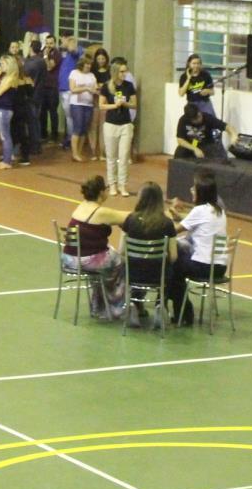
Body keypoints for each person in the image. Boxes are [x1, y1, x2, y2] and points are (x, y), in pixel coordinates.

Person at [64, 176, 128, 320]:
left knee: (105, 262)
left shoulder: (81, 206)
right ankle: (117, 306)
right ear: (101, 192)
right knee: (122, 262)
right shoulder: (100, 212)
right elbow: (127, 217)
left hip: (69, 258)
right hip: (87, 260)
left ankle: (98, 305)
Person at [119, 181, 181, 329]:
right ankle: (160, 304)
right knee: (172, 270)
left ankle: (133, 303)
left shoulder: (130, 220)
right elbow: (173, 256)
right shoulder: (167, 223)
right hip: (158, 275)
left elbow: (121, 250)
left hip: (133, 273)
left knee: (128, 266)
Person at [171, 169, 230, 322]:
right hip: (220, 268)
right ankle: (181, 311)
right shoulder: (219, 211)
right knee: (178, 257)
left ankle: (184, 313)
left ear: (201, 192)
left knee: (171, 265)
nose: (191, 190)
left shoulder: (199, 211)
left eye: (194, 188)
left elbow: (173, 231)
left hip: (203, 267)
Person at [100, 58, 137, 197]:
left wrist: (125, 104)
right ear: (115, 72)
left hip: (125, 124)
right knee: (111, 156)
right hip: (111, 124)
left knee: (124, 155)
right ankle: (112, 184)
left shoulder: (129, 86)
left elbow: (134, 104)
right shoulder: (107, 86)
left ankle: (122, 184)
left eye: (125, 71)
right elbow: (101, 105)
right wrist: (114, 105)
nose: (124, 74)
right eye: (121, 71)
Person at [65, 47, 98, 163]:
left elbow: (94, 89)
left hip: (88, 104)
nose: (88, 66)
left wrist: (95, 91)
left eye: (90, 65)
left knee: (84, 129)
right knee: (77, 128)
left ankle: (79, 152)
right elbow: (73, 89)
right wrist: (86, 88)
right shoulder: (74, 73)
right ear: (81, 64)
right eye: (86, 64)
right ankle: (74, 153)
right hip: (77, 104)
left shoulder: (92, 76)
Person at [179, 54, 217, 118]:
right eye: (194, 63)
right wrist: (188, 78)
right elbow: (181, 93)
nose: (196, 65)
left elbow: (213, 92)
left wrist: (208, 91)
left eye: (198, 63)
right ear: (189, 64)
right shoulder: (184, 76)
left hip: (205, 103)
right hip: (191, 104)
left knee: (211, 121)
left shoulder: (206, 74)